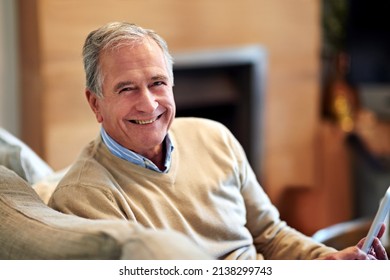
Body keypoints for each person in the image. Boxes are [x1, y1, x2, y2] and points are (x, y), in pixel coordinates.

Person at [48, 21, 388, 260]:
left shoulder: (214, 136)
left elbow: (270, 234)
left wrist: (327, 261)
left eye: (157, 83)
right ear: (95, 103)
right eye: (126, 88)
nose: (149, 103)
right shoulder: (82, 199)